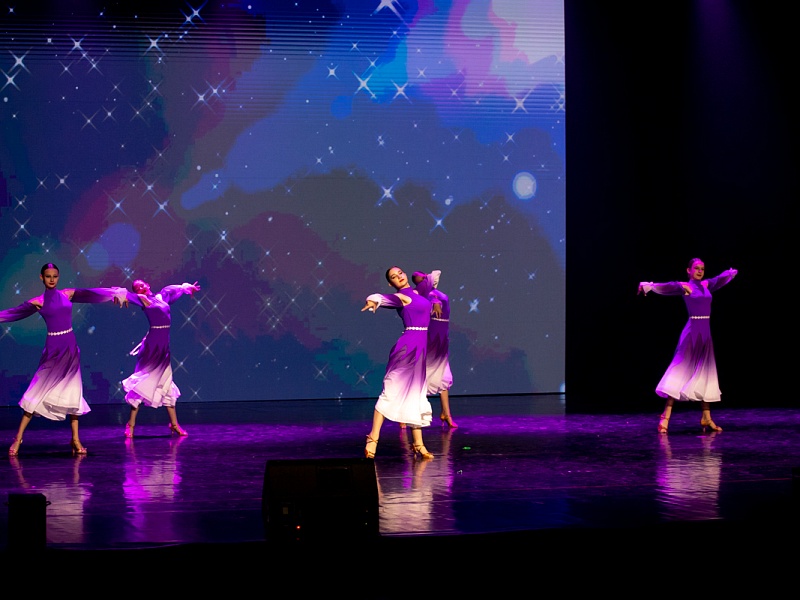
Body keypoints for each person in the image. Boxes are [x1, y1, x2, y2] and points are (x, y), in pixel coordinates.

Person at [1, 263, 129, 456]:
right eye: (48, 276)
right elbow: (14, 313)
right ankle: (18, 438)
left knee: (73, 390)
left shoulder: (67, 294)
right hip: (53, 350)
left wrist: (115, 293)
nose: (52, 279)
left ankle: (75, 439)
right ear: (42, 278)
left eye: (55, 276)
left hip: (70, 347)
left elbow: (90, 294)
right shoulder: (38, 301)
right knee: (38, 390)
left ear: (58, 277)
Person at [638, 258, 738, 434]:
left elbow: (718, 280)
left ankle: (706, 417)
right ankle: (665, 416)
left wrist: (730, 274)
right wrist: (649, 286)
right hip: (692, 333)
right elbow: (667, 287)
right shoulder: (685, 286)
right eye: (696, 268)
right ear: (689, 270)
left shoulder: (706, 285)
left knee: (705, 373)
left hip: (705, 334)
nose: (700, 271)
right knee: (680, 371)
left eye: (702, 269)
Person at [361, 266, 440, 459]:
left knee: (416, 394)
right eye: (394, 277)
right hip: (407, 348)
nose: (399, 277)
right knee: (391, 390)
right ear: (391, 283)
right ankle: (373, 438)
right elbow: (383, 298)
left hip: (420, 348)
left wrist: (431, 294)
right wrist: (373, 300)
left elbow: (434, 276)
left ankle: (418, 445)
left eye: (400, 273)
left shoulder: (418, 292)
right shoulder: (402, 297)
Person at [121, 279, 201, 438]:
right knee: (142, 384)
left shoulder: (161, 296)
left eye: (142, 284)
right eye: (137, 288)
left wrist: (186, 288)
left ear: (147, 285)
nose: (140, 288)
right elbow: (126, 295)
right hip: (152, 347)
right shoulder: (142, 299)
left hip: (164, 346)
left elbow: (172, 289)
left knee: (166, 383)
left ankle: (174, 424)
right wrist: (121, 295)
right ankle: (131, 424)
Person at [412, 270, 457, 428]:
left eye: (425, 278)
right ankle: (408, 414)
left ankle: (446, 413)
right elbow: (430, 300)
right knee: (421, 375)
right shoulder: (420, 295)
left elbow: (437, 274)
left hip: (441, 336)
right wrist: (434, 302)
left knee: (443, 375)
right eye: (421, 280)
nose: (425, 280)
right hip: (430, 337)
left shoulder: (437, 293)